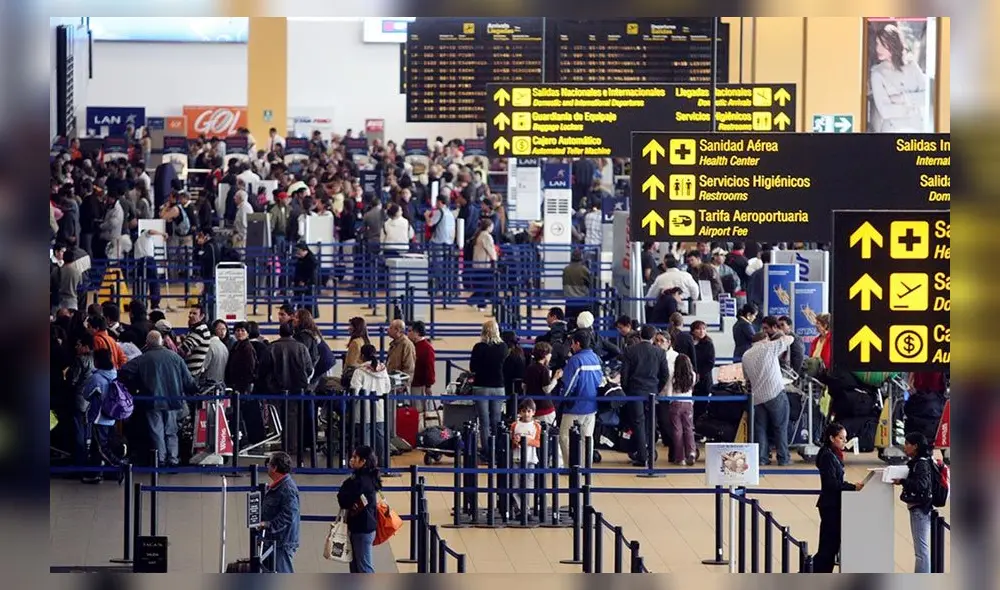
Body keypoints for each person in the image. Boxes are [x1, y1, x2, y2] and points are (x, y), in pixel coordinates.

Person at [119, 331, 198, 467]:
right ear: (161, 342)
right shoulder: (175, 357)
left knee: (157, 431)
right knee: (172, 431)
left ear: (147, 343)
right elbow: (188, 380)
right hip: (173, 400)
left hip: (152, 401)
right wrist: (194, 391)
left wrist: (135, 386)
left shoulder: (142, 359)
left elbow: (124, 372)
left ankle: (160, 459)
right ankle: (173, 459)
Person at [813, 423, 864, 573]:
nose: (844, 441)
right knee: (829, 546)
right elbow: (831, 483)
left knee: (830, 545)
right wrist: (852, 487)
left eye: (845, 438)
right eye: (841, 438)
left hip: (833, 504)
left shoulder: (833, 454)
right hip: (830, 505)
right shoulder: (828, 456)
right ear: (831, 438)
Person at [741, 331, 795, 466]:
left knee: (760, 428)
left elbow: (746, 378)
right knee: (780, 427)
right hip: (775, 393)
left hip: (757, 397)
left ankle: (762, 458)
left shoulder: (746, 355)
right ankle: (783, 458)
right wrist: (780, 336)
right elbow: (790, 339)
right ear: (765, 339)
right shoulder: (769, 347)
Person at [894, 432, 935, 573]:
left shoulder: (921, 464)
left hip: (920, 509)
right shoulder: (923, 461)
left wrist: (903, 481)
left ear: (915, 446)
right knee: (921, 549)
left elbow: (921, 484)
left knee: (921, 551)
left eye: (907, 444)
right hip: (922, 508)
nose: (905, 447)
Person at [559, 332, 602, 466]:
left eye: (572, 343)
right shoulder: (595, 358)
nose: (571, 346)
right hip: (592, 406)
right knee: (586, 438)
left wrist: (562, 399)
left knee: (564, 437)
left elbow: (569, 385)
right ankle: (585, 467)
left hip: (575, 407)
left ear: (577, 343)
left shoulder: (575, 360)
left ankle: (570, 467)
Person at [337, 446, 382, 573]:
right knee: (358, 566)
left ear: (363, 461)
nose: (352, 460)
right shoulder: (369, 477)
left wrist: (345, 487)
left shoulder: (360, 481)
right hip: (364, 526)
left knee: (364, 567)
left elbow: (344, 500)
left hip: (362, 528)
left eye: (355, 457)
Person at [254, 451, 300, 573]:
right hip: (273, 540)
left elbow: (288, 515)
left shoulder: (287, 489)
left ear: (274, 468)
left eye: (268, 464)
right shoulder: (278, 486)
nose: (266, 466)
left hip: (282, 543)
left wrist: (268, 525)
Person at [469, 320, 507, 451]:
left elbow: (472, 368)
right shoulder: (503, 347)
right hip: (498, 386)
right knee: (496, 420)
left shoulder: (478, 347)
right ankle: (497, 450)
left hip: (481, 386)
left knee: (484, 422)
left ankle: (486, 450)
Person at [349, 344, 390, 454]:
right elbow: (388, 388)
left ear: (361, 356)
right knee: (381, 442)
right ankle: (383, 465)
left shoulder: (359, 371)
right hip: (380, 411)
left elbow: (355, 392)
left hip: (363, 413)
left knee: (365, 444)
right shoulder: (383, 370)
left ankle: (366, 465)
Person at [510, 398, 542, 514]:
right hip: (516, 458)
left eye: (529, 411)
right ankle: (518, 508)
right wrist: (516, 441)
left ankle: (526, 508)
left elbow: (538, 442)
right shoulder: (515, 425)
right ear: (520, 412)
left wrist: (526, 441)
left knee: (528, 485)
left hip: (530, 459)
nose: (526, 414)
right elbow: (511, 441)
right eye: (524, 411)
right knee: (515, 484)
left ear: (533, 412)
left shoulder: (536, 426)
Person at [667, 353, 698, 466]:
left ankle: (680, 458)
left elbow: (669, 392)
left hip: (675, 403)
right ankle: (691, 452)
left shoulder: (673, 375)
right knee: (689, 428)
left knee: (677, 431)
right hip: (688, 403)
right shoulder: (693, 375)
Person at [407, 321, 437, 426]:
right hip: (415, 383)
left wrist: (428, 385)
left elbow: (430, 368)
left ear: (417, 333)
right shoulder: (414, 346)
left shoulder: (426, 348)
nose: (408, 333)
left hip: (420, 385)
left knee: (419, 411)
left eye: (410, 331)